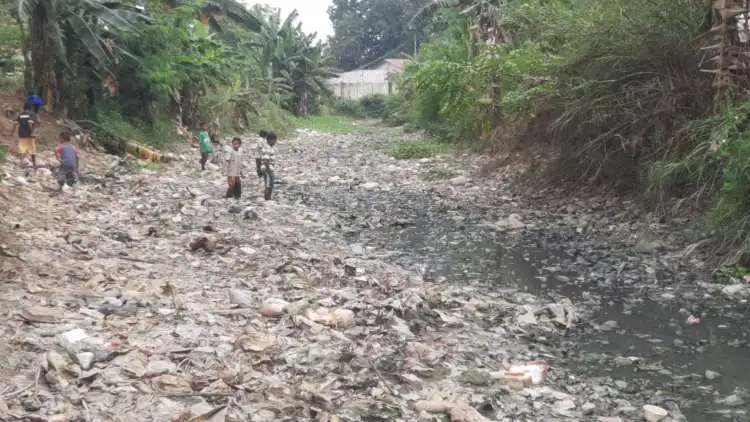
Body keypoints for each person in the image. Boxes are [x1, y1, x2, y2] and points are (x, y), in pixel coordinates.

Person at [12, 104, 37, 169]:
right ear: (30, 108)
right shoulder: (32, 114)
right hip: (29, 133)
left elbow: (15, 123)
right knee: (32, 148)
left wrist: (12, 132)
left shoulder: (20, 114)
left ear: (24, 108)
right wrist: (32, 131)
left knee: (22, 147)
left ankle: (21, 163)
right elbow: (29, 122)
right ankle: (34, 164)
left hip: (21, 133)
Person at [257, 131, 276, 200]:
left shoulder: (268, 147)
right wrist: (269, 171)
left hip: (267, 168)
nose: (275, 142)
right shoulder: (268, 148)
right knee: (269, 185)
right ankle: (267, 199)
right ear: (270, 140)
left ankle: (268, 198)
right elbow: (265, 160)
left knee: (269, 184)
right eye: (274, 140)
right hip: (267, 169)